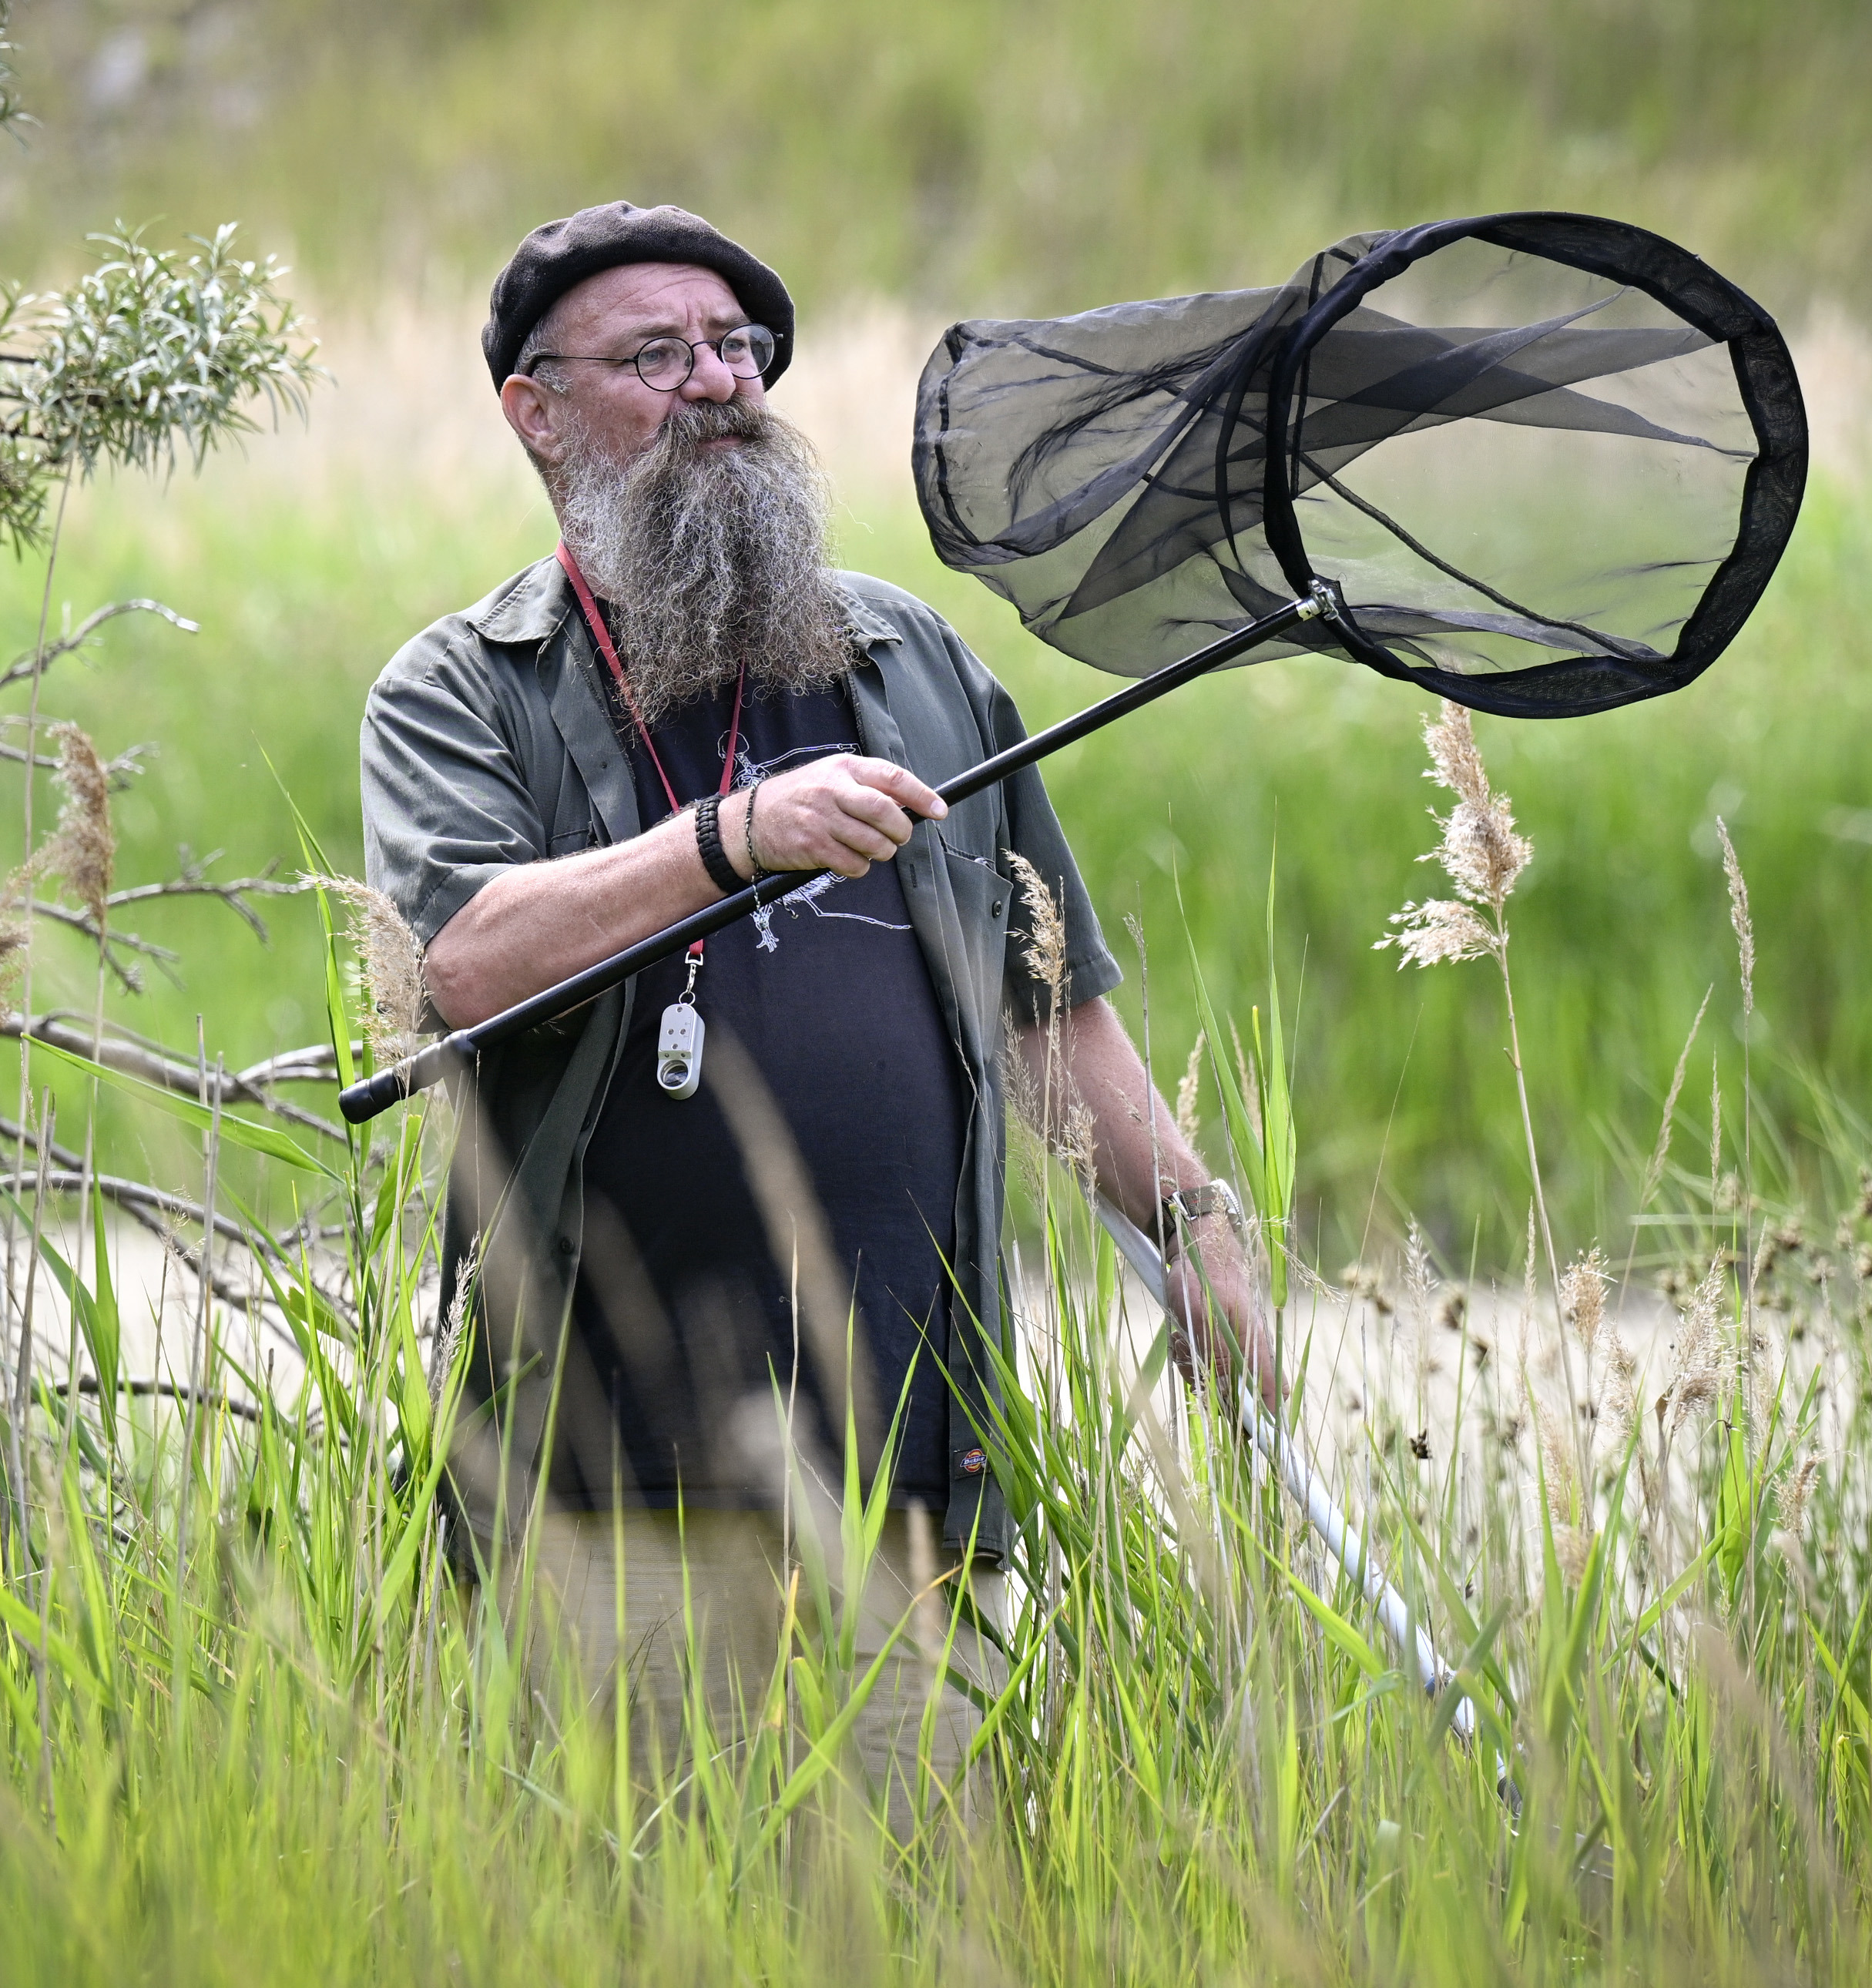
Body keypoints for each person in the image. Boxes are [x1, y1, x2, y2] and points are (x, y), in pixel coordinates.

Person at [360, 201, 1265, 1821]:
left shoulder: (913, 662)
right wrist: (731, 839)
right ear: (536, 412)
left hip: (909, 1492)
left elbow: (1048, 1008)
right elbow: (471, 962)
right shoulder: (466, 687)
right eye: (658, 355)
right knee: (617, 1921)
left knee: (913, 1917)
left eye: (737, 348)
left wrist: (1194, 1221)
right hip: (598, 1498)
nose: (718, 383)